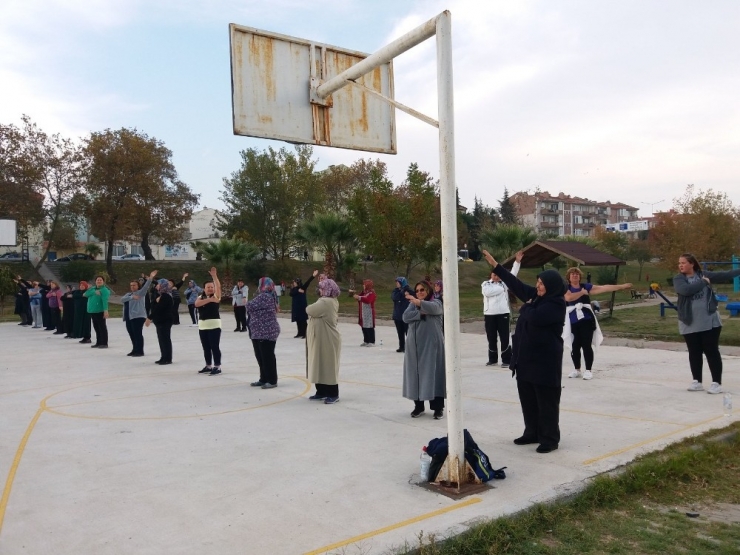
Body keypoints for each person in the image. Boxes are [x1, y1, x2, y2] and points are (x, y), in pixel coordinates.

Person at [482, 249, 566, 454]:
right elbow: (516, 284)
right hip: (526, 359)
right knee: (528, 398)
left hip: (545, 361)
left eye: (541, 283)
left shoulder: (556, 303)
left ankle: (549, 438)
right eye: (537, 282)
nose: (538, 286)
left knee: (546, 401)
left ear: (551, 286)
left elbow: (534, 317)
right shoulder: (536, 298)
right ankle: (532, 432)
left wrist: (525, 308)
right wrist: (497, 266)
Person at [674, 253, 740, 394]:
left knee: (711, 351)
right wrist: (704, 282)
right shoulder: (679, 279)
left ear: (692, 264)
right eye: (679, 263)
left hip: (709, 320)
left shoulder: (703, 274)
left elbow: (725, 274)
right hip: (689, 321)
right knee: (694, 351)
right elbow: (685, 291)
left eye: (684, 262)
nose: (681, 265)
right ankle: (697, 381)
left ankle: (716, 383)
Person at [563, 267, 631, 380]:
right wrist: (582, 293)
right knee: (575, 347)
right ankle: (576, 369)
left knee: (586, 345)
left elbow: (604, 288)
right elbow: (569, 298)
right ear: (569, 277)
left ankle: (588, 370)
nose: (575, 276)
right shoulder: (566, 288)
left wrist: (621, 286)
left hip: (586, 320)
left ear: (580, 276)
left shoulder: (586, 287)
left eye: (577, 274)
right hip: (572, 321)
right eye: (572, 274)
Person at [402, 280, 446, 419]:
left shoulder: (437, 302)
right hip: (414, 347)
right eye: (418, 290)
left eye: (423, 290)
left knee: (433, 374)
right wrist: (420, 314)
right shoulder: (413, 304)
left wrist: (417, 303)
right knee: (416, 375)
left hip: (431, 346)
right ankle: (418, 406)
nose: (420, 292)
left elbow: (434, 309)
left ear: (428, 291)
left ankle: (437, 408)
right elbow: (405, 317)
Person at [482, 251, 523, 367]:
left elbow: (513, 274)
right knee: (491, 337)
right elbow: (487, 292)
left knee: (505, 337)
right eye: (494, 274)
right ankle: (492, 359)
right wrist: (501, 288)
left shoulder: (505, 283)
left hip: (503, 313)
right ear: (491, 275)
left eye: (498, 275)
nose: (496, 276)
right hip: (489, 314)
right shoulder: (485, 284)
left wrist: (517, 262)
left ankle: (506, 360)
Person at [305, 276, 342, 404]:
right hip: (321, 338)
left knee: (328, 365)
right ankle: (321, 391)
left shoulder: (326, 302)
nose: (319, 290)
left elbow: (309, 309)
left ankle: (333, 393)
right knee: (319, 363)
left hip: (327, 338)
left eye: (321, 288)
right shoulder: (327, 300)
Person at [246, 277, 280, 389]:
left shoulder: (265, 296)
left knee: (267, 357)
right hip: (258, 331)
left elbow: (249, 305)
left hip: (266, 332)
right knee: (260, 356)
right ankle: (263, 378)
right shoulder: (268, 295)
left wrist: (246, 302)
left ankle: (272, 380)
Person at [121, 270, 157, 357]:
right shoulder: (129, 294)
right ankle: (134, 349)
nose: (132, 287)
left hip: (138, 316)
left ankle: (140, 351)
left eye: (134, 285)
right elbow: (122, 299)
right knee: (132, 334)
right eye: (131, 285)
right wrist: (132, 297)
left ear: (138, 286)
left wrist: (150, 278)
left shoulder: (141, 293)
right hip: (129, 317)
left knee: (137, 334)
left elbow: (146, 287)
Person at [195, 267, 223, 375]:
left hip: (214, 325)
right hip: (203, 325)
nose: (210, 288)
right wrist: (209, 300)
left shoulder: (216, 296)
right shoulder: (201, 297)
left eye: (212, 287)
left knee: (214, 346)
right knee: (206, 347)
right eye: (208, 287)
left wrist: (214, 277)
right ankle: (208, 365)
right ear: (204, 288)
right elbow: (197, 304)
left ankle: (217, 366)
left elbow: (218, 287)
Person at [147, 279, 174, 365]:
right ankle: (163, 357)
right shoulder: (160, 295)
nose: (157, 286)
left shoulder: (166, 296)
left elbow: (159, 309)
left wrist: (149, 317)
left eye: (159, 284)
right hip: (159, 321)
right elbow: (153, 305)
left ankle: (167, 358)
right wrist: (155, 301)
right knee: (161, 339)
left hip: (165, 320)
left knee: (165, 339)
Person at [289, 270, 319, 338]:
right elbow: (291, 294)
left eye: (295, 282)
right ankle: (300, 333)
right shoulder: (294, 289)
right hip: (296, 307)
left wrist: (313, 276)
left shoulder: (303, 288)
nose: (294, 283)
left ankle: (306, 333)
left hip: (302, 306)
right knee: (298, 321)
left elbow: (307, 282)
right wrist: (297, 290)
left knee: (303, 321)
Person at [84, 275, 111, 348]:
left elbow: (105, 300)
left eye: (100, 280)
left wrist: (106, 311)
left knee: (102, 327)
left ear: (103, 281)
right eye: (97, 280)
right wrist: (95, 292)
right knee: (96, 327)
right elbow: (85, 294)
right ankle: (98, 342)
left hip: (100, 311)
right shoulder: (93, 288)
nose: (99, 281)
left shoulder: (104, 290)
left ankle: (104, 343)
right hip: (93, 310)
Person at [391, 277, 414, 353]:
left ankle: (410, 347)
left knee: (408, 332)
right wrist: (402, 292)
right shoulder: (396, 290)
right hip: (397, 315)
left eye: (398, 282)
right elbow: (394, 297)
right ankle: (401, 346)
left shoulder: (409, 290)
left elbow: (414, 295)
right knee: (400, 332)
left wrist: (405, 290)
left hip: (406, 314)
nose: (396, 284)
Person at [352, 279, 377, 346]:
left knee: (369, 326)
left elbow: (368, 300)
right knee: (364, 326)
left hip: (369, 313)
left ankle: (371, 341)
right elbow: (359, 297)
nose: (363, 285)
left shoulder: (372, 293)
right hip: (363, 312)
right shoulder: (364, 292)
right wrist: (355, 295)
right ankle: (366, 340)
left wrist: (359, 297)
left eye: (364, 284)